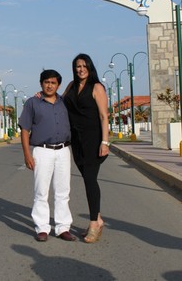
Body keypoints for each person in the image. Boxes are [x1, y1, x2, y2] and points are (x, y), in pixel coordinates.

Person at [19, 69, 75, 242]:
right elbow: (25, 130)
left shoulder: (64, 102)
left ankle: (62, 227)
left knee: (63, 191)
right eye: (46, 82)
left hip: (64, 151)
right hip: (42, 151)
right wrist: (27, 154)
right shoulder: (32, 103)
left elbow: (75, 85)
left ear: (58, 85)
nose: (49, 85)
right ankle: (42, 227)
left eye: (53, 82)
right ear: (41, 83)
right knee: (41, 191)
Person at [62, 53, 110, 243]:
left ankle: (93, 223)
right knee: (86, 178)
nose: (80, 69)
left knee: (90, 180)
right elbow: (60, 102)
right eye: (77, 66)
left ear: (89, 67)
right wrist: (43, 95)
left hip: (93, 139)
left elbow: (104, 116)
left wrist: (104, 143)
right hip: (76, 140)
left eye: (83, 66)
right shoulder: (71, 86)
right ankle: (98, 218)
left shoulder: (97, 87)